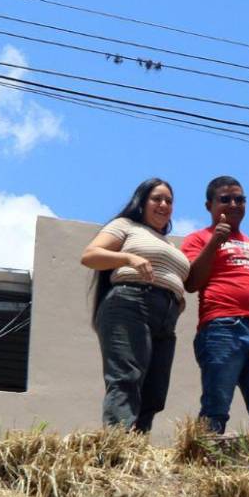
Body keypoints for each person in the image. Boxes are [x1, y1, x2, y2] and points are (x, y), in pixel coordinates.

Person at [80, 178, 190, 433]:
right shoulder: (125, 226)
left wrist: (174, 295)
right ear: (141, 202)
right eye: (156, 199)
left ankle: (137, 444)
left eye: (169, 201)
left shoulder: (170, 243)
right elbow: (89, 256)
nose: (164, 205)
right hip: (130, 304)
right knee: (127, 377)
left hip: (166, 317)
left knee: (155, 390)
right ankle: (118, 441)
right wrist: (128, 258)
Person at [181, 175, 249, 435]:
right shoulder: (197, 239)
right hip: (222, 329)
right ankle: (205, 456)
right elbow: (191, 282)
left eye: (240, 199)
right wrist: (215, 241)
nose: (234, 204)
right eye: (225, 199)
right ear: (209, 206)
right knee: (216, 407)